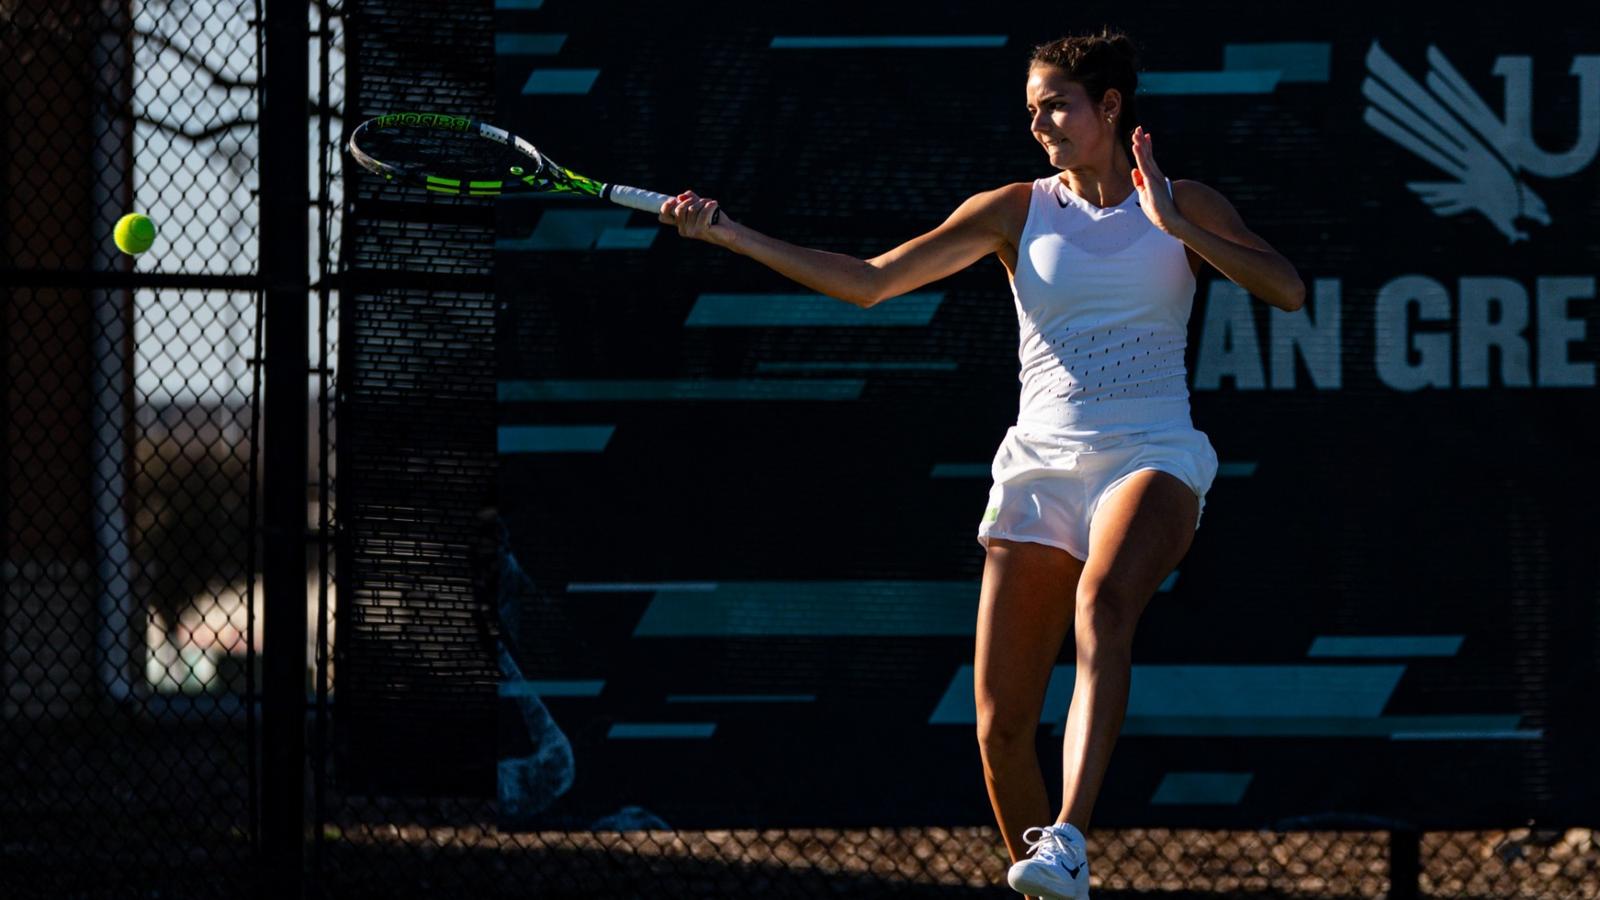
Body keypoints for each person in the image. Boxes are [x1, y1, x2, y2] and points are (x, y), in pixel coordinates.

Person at [658, 26, 1304, 900]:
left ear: (1110, 106)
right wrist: (730, 235)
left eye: (1056, 106)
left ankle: (1068, 834)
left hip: (1152, 453)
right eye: (1031, 110)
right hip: (1039, 466)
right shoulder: (1012, 209)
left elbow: (1287, 290)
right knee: (999, 729)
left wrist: (1177, 225)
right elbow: (870, 280)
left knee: (1104, 603)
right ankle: (1051, 880)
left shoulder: (1184, 201)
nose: (1039, 124)